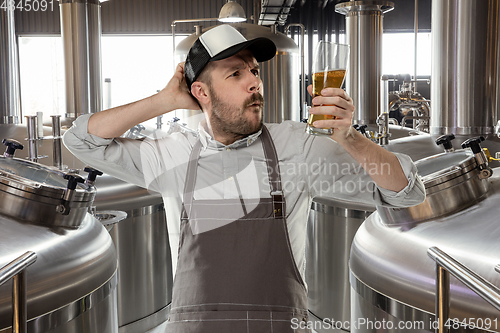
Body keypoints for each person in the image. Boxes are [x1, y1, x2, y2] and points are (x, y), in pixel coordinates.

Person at [63, 24, 425, 333]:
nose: (254, 82)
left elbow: (405, 192)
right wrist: (163, 101)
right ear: (201, 93)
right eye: (235, 74)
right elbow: (80, 140)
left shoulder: (298, 146)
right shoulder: (171, 153)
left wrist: (350, 138)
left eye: (254, 71)